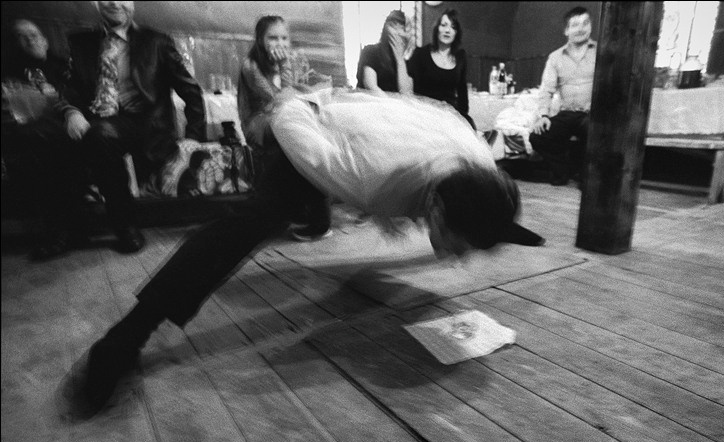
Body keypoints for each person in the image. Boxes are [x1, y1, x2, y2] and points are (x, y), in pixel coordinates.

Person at [80, 87, 545, 413]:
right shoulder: (365, 174)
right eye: (458, 247)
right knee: (252, 222)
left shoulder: (483, 171)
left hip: (373, 130)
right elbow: (291, 122)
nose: (457, 260)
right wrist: (283, 107)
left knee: (332, 233)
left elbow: (426, 116)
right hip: (309, 126)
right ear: (438, 212)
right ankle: (126, 335)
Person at [56, 0, 206, 254]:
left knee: (100, 136)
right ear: (96, 4)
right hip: (95, 117)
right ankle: (67, 231)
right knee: (50, 135)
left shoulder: (156, 42)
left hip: (144, 125)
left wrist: (193, 137)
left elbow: (190, 91)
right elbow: (69, 90)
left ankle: (125, 226)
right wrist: (71, 113)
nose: (115, 3)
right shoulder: (81, 43)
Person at [238, 15, 331, 241]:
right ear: (260, 40)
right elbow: (280, 99)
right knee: (299, 138)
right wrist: (284, 64)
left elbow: (296, 95)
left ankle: (315, 217)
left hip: (282, 118)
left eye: (284, 38)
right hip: (258, 122)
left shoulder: (293, 59)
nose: (280, 43)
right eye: (273, 38)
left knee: (311, 138)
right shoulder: (251, 66)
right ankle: (317, 219)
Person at [1, 19, 87, 260]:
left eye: (34, 34)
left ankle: (62, 232)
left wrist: (58, 100)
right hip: (25, 133)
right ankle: (68, 230)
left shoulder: (63, 66)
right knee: (31, 143)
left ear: (46, 41)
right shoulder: (9, 71)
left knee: (41, 144)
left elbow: (78, 97)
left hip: (63, 127)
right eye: (22, 36)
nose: (30, 39)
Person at [529, 6, 596, 186]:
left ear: (590, 27)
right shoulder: (555, 57)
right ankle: (563, 169)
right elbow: (546, 90)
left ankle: (585, 174)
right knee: (537, 137)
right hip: (566, 113)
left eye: (585, 23)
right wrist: (543, 116)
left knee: (595, 131)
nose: (581, 28)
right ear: (566, 30)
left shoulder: (601, 52)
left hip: (591, 114)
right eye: (575, 25)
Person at [407, 9, 474, 129]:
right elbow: (410, 92)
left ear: (456, 33)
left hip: (451, 116)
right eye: (444, 25)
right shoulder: (420, 54)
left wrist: (462, 117)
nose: (448, 30)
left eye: (453, 27)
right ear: (437, 28)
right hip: (425, 114)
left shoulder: (460, 57)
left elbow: (462, 92)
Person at [356, 10, 413, 95]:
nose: (398, 33)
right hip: (371, 104)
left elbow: (407, 94)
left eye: (402, 28)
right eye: (393, 26)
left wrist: (400, 60)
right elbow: (370, 86)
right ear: (386, 28)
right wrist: (391, 104)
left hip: (397, 106)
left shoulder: (406, 62)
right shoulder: (371, 51)